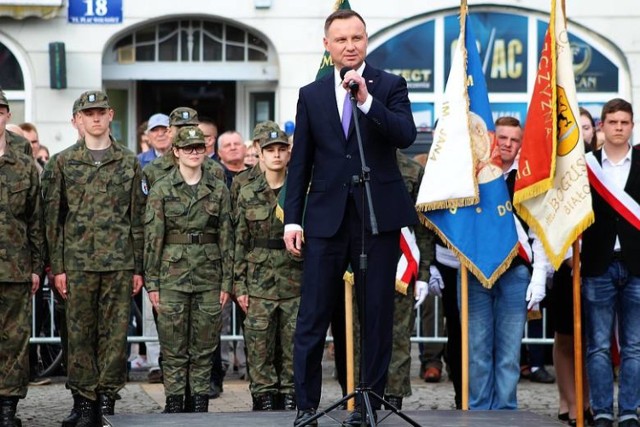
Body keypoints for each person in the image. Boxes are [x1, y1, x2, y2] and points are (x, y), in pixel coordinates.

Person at [283, 9, 417, 426]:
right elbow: (300, 161)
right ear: (328, 45)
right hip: (325, 219)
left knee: (375, 314)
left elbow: (405, 135)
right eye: (340, 40)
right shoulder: (312, 93)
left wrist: (366, 100)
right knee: (312, 315)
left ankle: (368, 405)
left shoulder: (389, 86)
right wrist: (292, 218)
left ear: (366, 40)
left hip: (376, 216)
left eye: (356, 38)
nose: (349, 46)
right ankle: (306, 406)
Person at [42, 90, 145, 425]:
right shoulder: (62, 162)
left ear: (111, 115)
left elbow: (137, 219)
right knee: (78, 335)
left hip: (118, 264)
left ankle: (106, 401)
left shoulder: (129, 161)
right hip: (77, 264)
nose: (95, 118)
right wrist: (57, 267)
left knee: (115, 336)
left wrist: (138, 268)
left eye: (100, 112)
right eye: (89, 113)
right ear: (79, 120)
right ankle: (84, 402)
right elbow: (53, 220)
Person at [144, 126, 233, 413]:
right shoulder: (161, 188)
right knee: (172, 344)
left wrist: (226, 282)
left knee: (205, 345)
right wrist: (153, 283)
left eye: (199, 148)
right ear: (176, 152)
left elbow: (226, 237)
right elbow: (153, 237)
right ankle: (174, 400)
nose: (194, 153)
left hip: (209, 274)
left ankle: (199, 401)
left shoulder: (218, 188)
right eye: (188, 148)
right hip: (172, 275)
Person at [464, 116, 549, 410]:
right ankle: (478, 411)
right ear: (491, 138)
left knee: (509, 351)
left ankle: (505, 412)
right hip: (477, 272)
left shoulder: (528, 180)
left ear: (521, 145)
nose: (507, 145)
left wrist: (539, 276)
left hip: (516, 273)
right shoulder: (473, 177)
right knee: (477, 350)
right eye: (502, 138)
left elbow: (539, 231)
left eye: (514, 140)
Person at [581, 98, 640, 427]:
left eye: (624, 122)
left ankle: (630, 410)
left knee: (634, 346)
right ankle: (602, 410)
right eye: (613, 122)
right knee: (599, 346)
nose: (618, 127)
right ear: (602, 126)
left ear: (631, 126)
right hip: (597, 264)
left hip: (637, 266)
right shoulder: (586, 165)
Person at [234, 128, 302, 411]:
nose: (276, 155)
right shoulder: (247, 192)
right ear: (259, 155)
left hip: (294, 278)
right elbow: (238, 241)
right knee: (259, 343)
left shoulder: (300, 191)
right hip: (259, 279)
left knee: (293, 342)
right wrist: (239, 285)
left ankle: (289, 393)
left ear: (288, 154)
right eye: (270, 150)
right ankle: (262, 395)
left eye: (281, 149)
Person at [0, 88, 44, 427]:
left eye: (0, 110)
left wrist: (35, 266)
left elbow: (34, 218)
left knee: (14, 338)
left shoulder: (23, 159)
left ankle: (8, 407)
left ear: (7, 115)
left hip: (14, 266)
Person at [383, 151, 433, 410]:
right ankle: (362, 395)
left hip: (401, 264)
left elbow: (423, 227)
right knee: (360, 336)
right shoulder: (352, 159)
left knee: (399, 336)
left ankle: (394, 398)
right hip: (362, 264)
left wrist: (423, 272)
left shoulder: (413, 171)